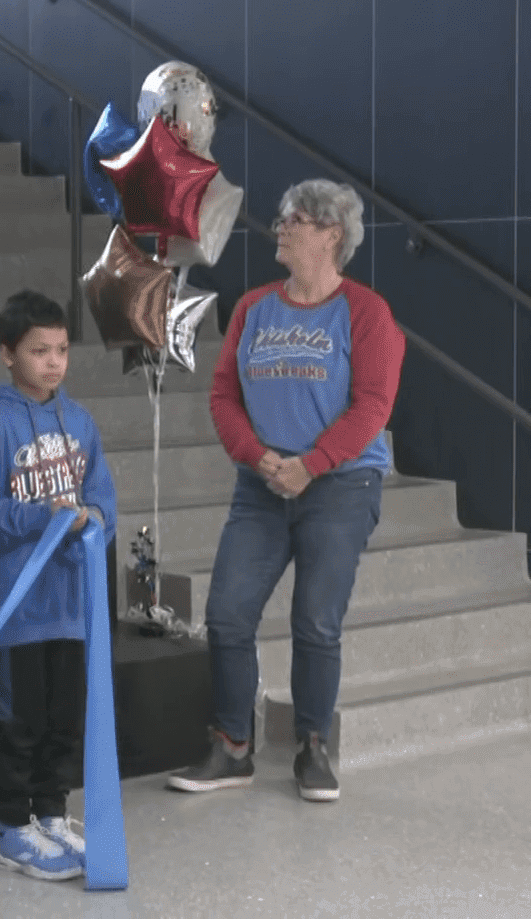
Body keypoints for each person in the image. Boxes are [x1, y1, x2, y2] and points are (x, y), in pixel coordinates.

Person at [168, 180, 402, 804]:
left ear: (331, 234)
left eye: (294, 219)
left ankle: (313, 747)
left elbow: (374, 405)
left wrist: (315, 462)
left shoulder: (366, 312)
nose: (280, 226)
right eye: (282, 217)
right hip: (262, 484)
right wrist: (261, 457)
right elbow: (223, 395)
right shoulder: (252, 308)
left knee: (316, 621)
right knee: (226, 615)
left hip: (341, 484)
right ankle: (233, 747)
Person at [0, 289, 116, 882]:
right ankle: (11, 829)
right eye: (38, 350)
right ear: (6, 353)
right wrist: (39, 517)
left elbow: (102, 500)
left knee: (61, 718)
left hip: (69, 603)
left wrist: (92, 522)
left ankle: (50, 813)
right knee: (17, 724)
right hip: (17, 608)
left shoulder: (80, 422)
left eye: (62, 350)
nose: (53, 362)